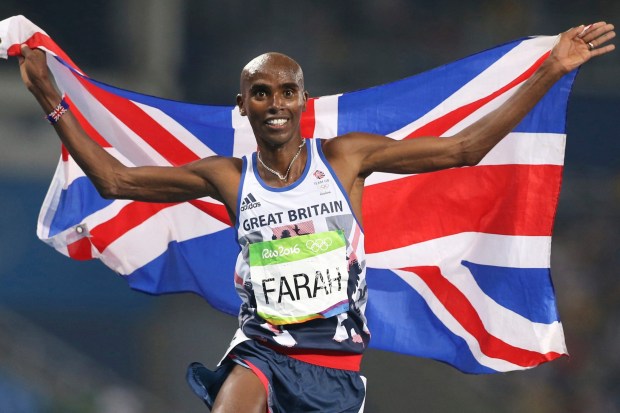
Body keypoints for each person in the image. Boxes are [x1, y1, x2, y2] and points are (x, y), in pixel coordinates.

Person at [17, 22, 615, 413]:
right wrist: (51, 99)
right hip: (262, 351)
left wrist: (551, 71)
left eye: (286, 91)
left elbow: (462, 151)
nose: (275, 103)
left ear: (303, 100)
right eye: (261, 93)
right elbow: (115, 181)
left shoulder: (347, 157)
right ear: (243, 105)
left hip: (334, 368)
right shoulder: (226, 177)